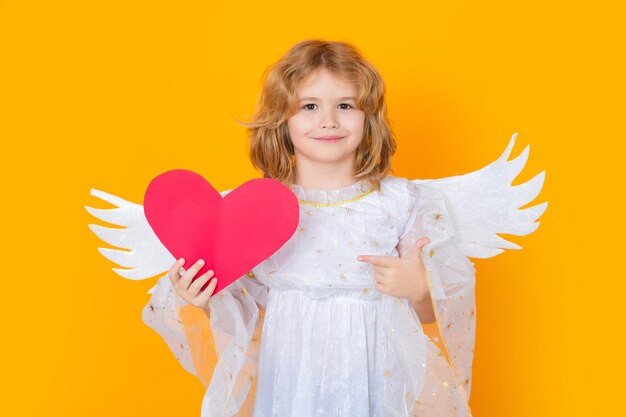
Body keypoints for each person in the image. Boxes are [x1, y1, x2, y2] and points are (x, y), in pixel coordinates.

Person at [142, 39, 478, 417]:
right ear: (282, 119)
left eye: (346, 106)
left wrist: (419, 287)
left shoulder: (400, 202)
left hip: (377, 377)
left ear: (369, 118)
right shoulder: (258, 209)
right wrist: (207, 298)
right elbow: (247, 310)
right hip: (291, 379)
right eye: (310, 106)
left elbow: (437, 311)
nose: (329, 120)